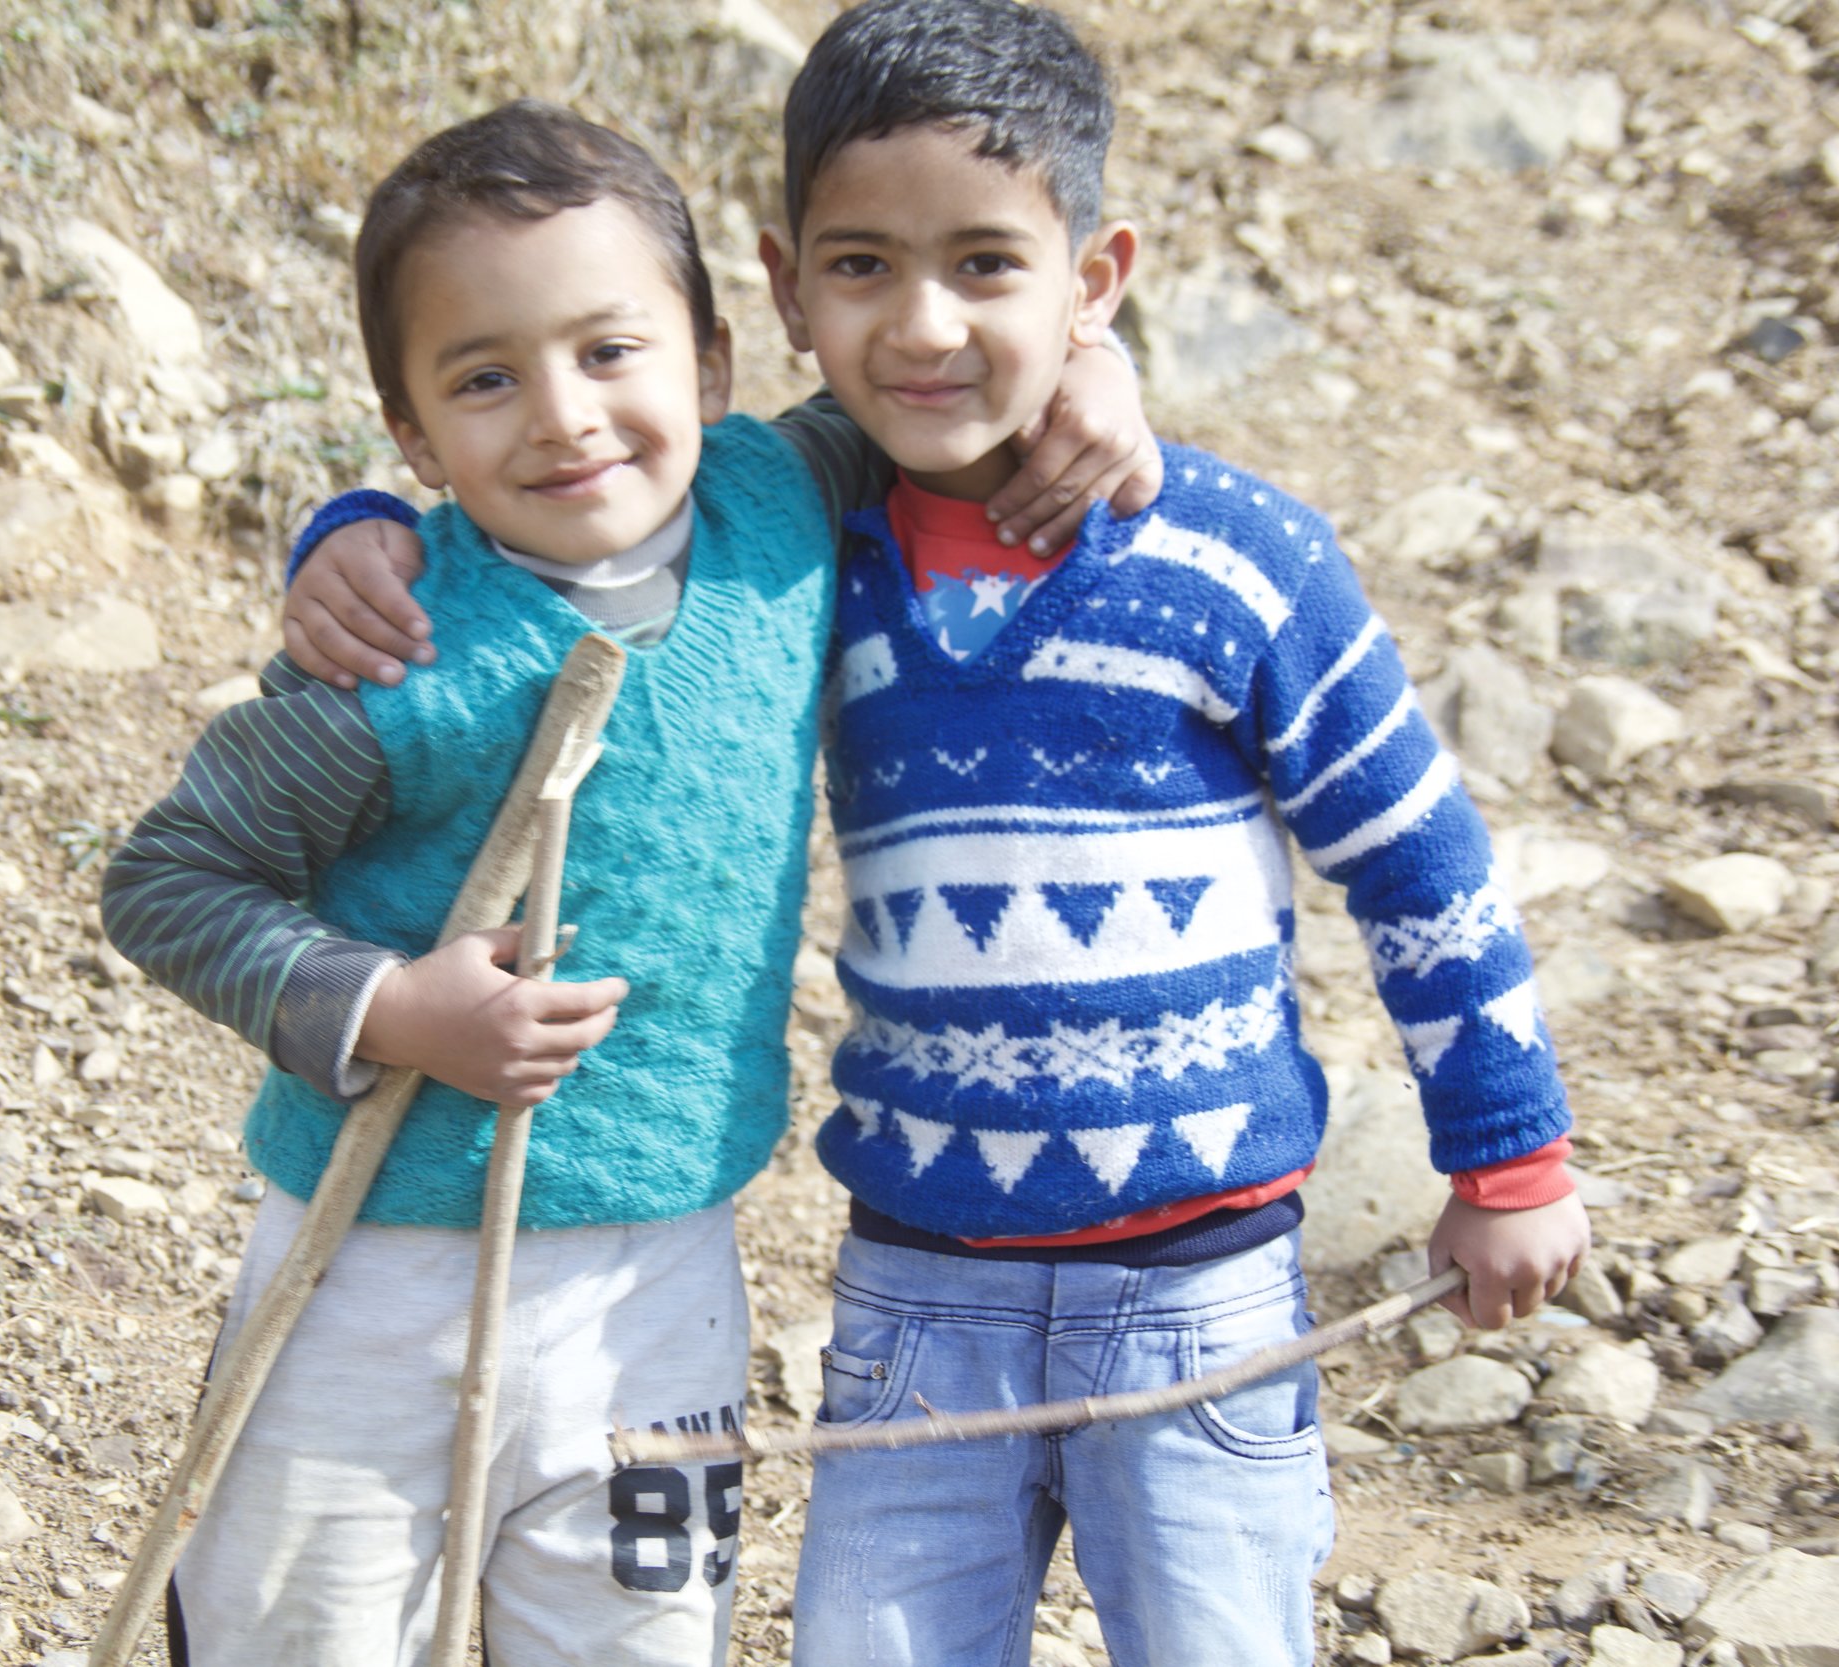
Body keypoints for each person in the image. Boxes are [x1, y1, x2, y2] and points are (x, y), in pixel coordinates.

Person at [280, 5, 1591, 1663]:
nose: (922, 325)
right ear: (783, 289)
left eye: (987, 266)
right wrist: (356, 529)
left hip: (1202, 1288)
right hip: (921, 1286)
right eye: (863, 269)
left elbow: (1419, 862)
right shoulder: (802, 543)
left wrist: (1509, 1158)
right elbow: (560, 518)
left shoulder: (1240, 558)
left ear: (1092, 275)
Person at [102, 97, 1157, 1667]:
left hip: (661, 1272)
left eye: (611, 352)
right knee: (294, 1634)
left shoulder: (782, 504)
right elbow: (172, 880)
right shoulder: (395, 654)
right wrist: (392, 1008)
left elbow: (943, 383)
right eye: (484, 378)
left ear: (717, 362)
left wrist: (1099, 366)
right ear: (410, 436)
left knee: (636, 1638)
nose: (562, 415)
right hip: (368, 1265)